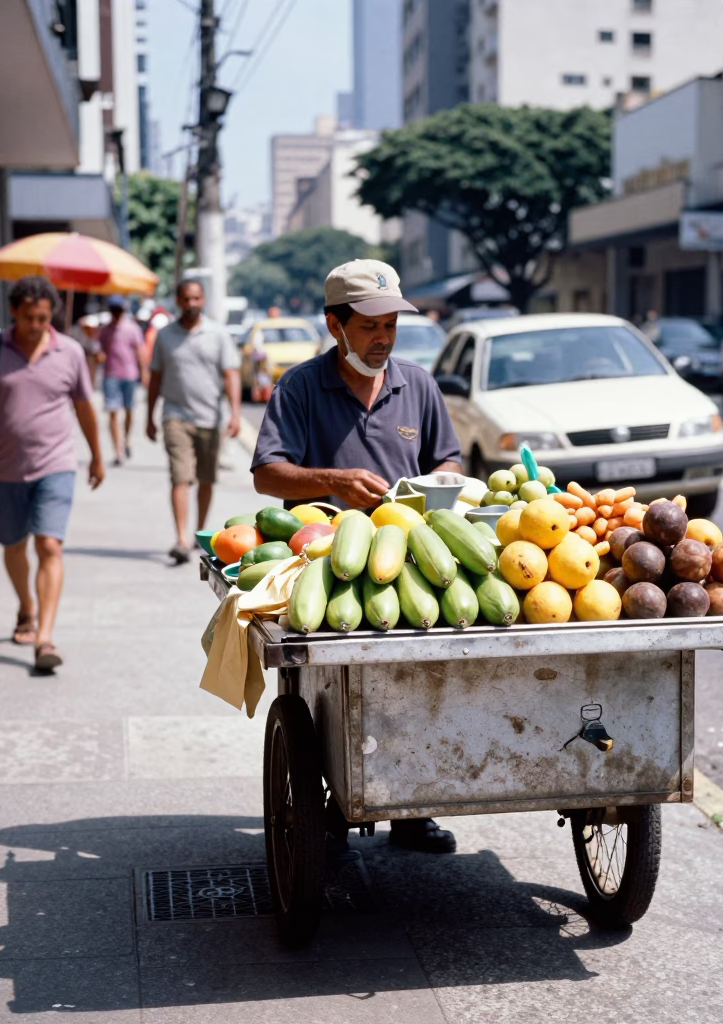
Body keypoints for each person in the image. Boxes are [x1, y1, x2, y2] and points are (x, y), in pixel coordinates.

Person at [252, 258, 464, 853]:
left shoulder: (417, 384)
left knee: (418, 681)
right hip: (328, 560)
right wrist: (330, 481)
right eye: (370, 325)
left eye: (391, 323)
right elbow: (268, 475)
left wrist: (433, 487)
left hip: (410, 559)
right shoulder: (298, 387)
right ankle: (331, 799)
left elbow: (448, 460)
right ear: (334, 325)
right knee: (335, 691)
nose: (383, 337)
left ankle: (409, 806)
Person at [0, 276, 104, 672]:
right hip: (2, 469)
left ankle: (45, 639)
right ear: (14, 313)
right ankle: (26, 606)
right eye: (29, 318)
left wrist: (98, 456)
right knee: (14, 546)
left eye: (43, 317)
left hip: (55, 466)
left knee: (49, 546)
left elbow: (85, 409)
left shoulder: (69, 351)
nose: (37, 326)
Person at [147, 278, 241, 564]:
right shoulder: (165, 336)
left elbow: (231, 375)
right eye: (186, 299)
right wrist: (149, 416)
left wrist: (235, 413)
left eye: (196, 299)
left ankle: (200, 533)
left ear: (203, 301)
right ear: (178, 301)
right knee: (180, 477)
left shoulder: (218, 334)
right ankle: (181, 539)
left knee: (206, 479)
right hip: (176, 416)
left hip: (210, 419)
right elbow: (156, 377)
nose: (191, 304)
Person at [97, 296, 146, 465]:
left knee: (129, 410)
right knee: (112, 412)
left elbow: (140, 351)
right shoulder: (104, 330)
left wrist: (144, 372)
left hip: (129, 375)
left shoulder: (132, 329)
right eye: (114, 311)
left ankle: (126, 440)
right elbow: (99, 350)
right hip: (111, 375)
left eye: (119, 310)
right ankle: (117, 452)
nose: (116, 314)